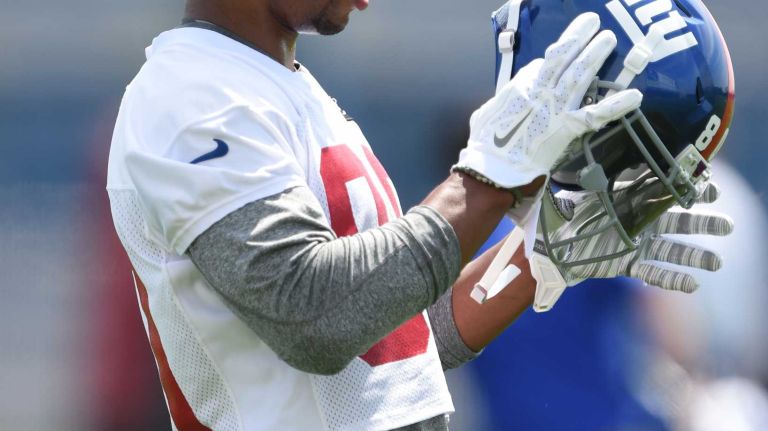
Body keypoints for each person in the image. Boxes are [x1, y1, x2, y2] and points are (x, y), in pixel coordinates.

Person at [105, 0, 727, 430]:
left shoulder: (283, 86)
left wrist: (540, 257)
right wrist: (484, 185)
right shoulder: (191, 96)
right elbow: (312, 316)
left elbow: (393, 334)